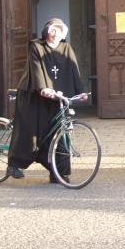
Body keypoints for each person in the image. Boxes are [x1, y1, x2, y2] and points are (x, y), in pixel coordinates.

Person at [7, 18, 87, 183]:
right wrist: (42, 88)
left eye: (60, 30)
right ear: (47, 31)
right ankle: (14, 164)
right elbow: (36, 68)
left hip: (57, 98)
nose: (56, 33)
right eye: (53, 30)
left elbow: (74, 69)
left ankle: (59, 173)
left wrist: (81, 92)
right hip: (34, 95)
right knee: (31, 133)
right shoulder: (36, 46)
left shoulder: (66, 48)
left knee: (60, 133)